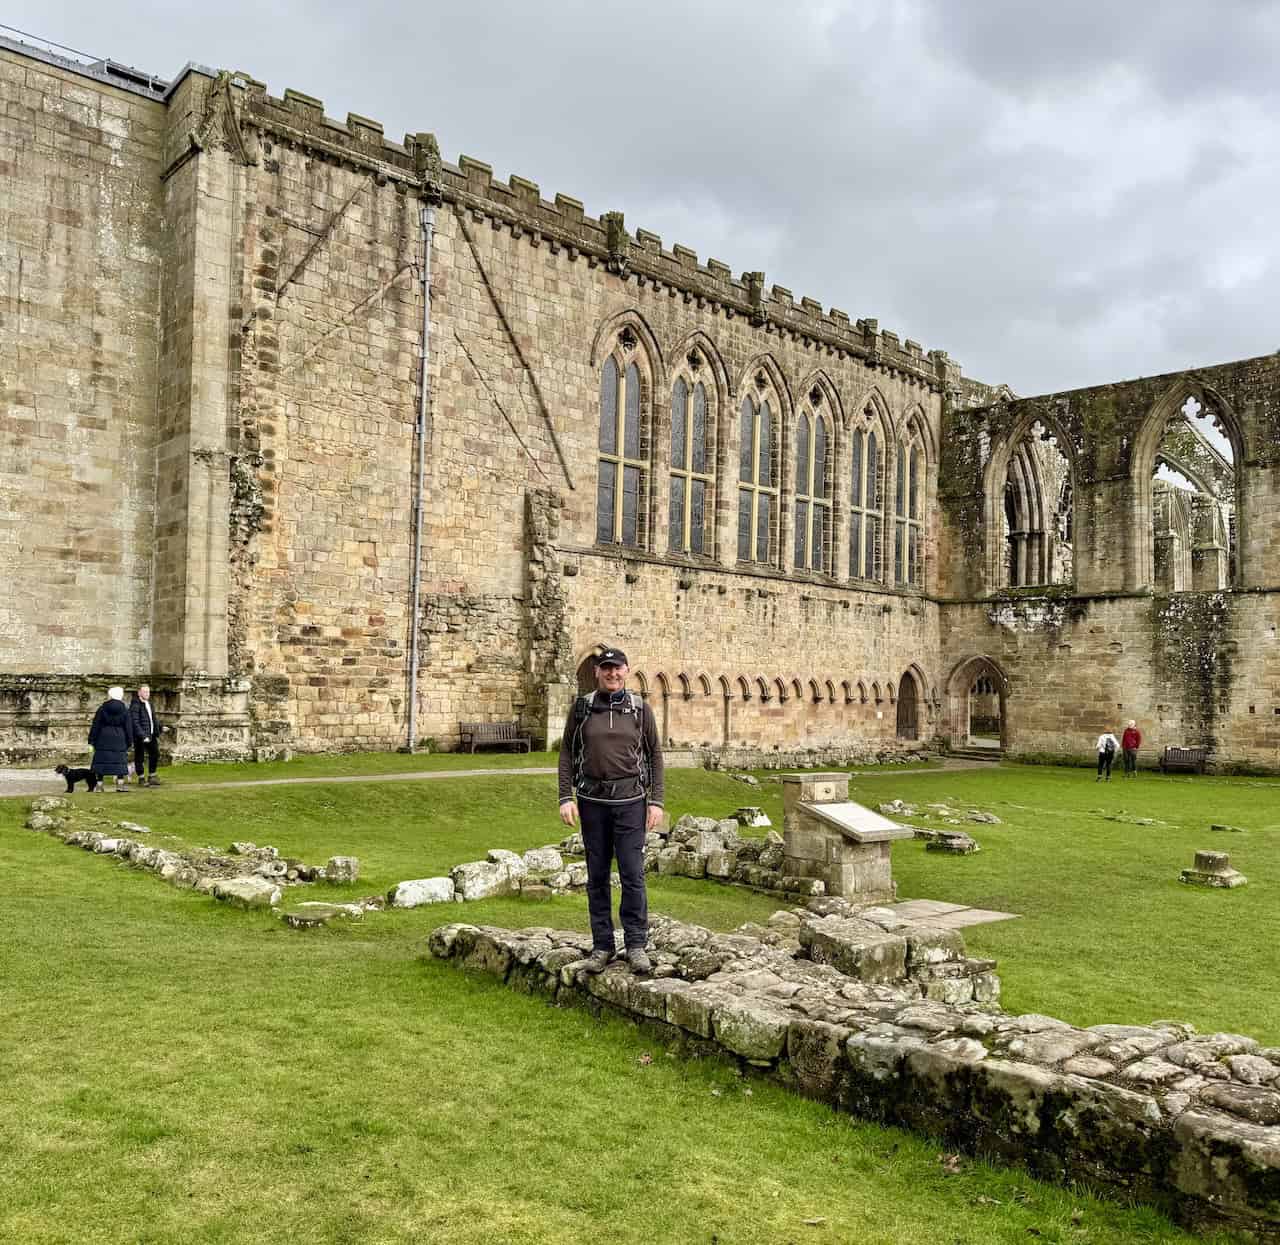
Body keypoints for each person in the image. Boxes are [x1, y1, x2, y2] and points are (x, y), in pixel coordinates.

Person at [558, 648, 664, 975]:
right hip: (592, 803)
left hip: (631, 803)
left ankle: (636, 945)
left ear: (627, 670)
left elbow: (655, 755)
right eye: (606, 669)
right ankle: (602, 945)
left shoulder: (640, 710)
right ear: (597, 672)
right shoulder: (582, 709)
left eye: (617, 668)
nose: (612, 674)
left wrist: (656, 801)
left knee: (633, 875)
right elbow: (566, 752)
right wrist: (565, 796)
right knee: (598, 877)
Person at [89, 686, 135, 793]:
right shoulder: (125, 710)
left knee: (101, 761)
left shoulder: (102, 709)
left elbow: (96, 725)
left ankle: (99, 785)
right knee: (119, 761)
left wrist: (92, 740)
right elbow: (128, 727)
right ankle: (120, 784)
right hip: (119, 738)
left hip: (103, 737)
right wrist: (129, 741)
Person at [129, 685, 163, 787]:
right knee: (139, 757)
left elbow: (152, 719)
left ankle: (152, 776)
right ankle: (141, 778)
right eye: (144, 692)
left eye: (148, 692)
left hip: (151, 734)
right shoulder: (135, 705)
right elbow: (135, 722)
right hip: (140, 736)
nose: (147, 694)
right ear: (139, 693)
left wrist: (160, 728)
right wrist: (143, 735)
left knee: (155, 754)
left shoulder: (149, 703)